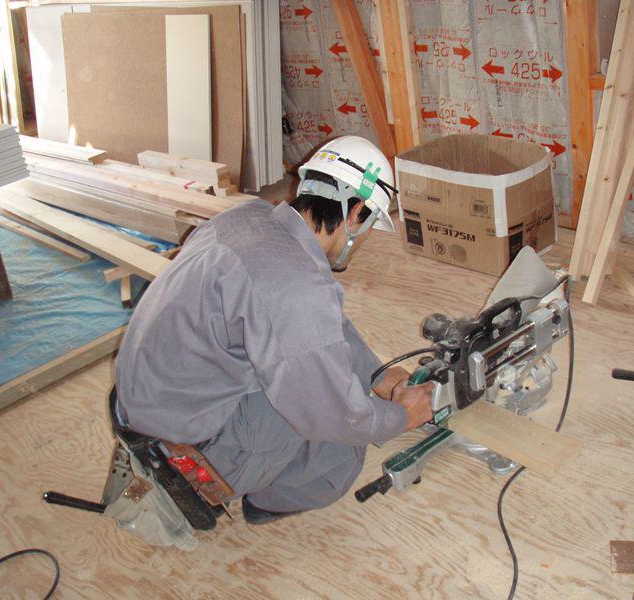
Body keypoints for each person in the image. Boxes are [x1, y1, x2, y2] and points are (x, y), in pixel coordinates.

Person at [113, 135, 434, 527]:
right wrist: (400, 417)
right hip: (182, 447)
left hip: (144, 401)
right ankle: (259, 497)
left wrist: (377, 375)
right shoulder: (295, 286)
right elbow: (333, 414)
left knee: (319, 370)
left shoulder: (249, 217)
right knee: (339, 451)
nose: (365, 239)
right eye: (370, 227)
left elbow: (319, 326)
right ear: (356, 215)